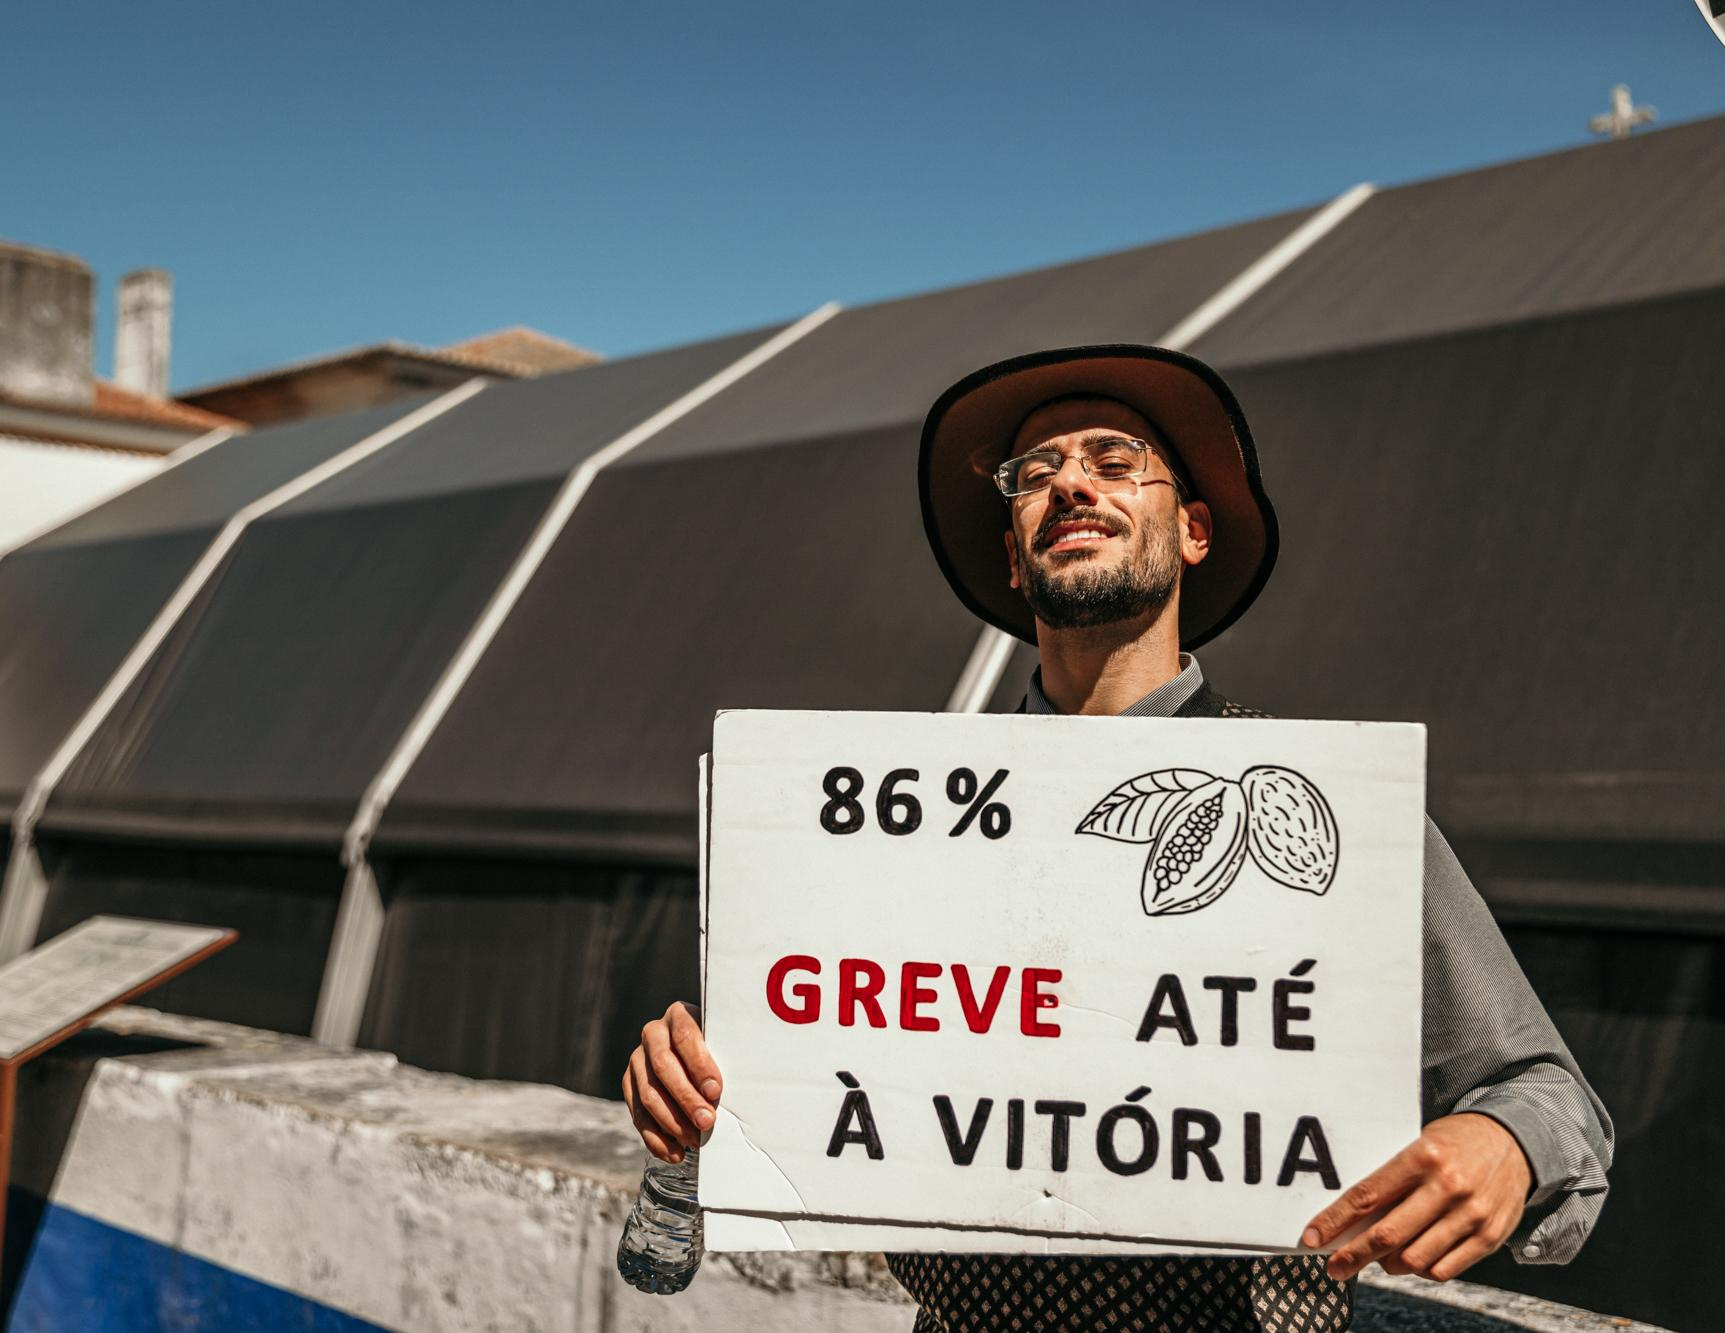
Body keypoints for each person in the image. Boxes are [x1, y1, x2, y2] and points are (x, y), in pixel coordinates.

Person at [623, 344, 1613, 1331]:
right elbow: (787, 1086)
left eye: (1112, 457)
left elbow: (1542, 1089)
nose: (1069, 486)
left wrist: (1503, 1144)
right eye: (1034, 475)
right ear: (1013, 554)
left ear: (1188, 529)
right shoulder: (895, 816)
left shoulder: (1318, 807)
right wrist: (691, 1098)